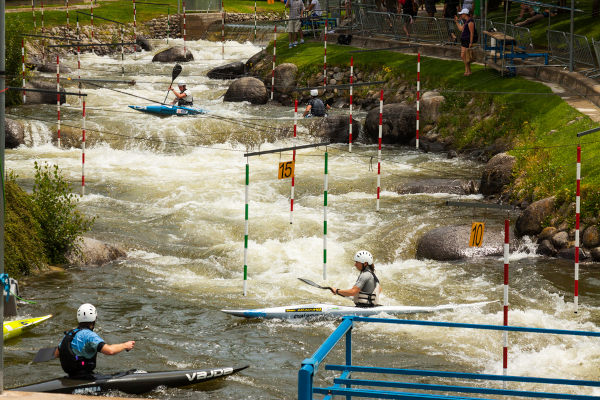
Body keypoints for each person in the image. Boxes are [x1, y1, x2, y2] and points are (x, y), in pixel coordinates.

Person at [53, 303, 135, 379]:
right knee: (130, 372)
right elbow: (110, 351)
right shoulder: (90, 335)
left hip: (71, 376)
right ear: (94, 319)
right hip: (85, 377)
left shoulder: (69, 334)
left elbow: (56, 354)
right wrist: (125, 345)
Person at [454, 8, 476, 76]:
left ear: (465, 14)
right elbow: (461, 29)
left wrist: (470, 43)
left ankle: (468, 70)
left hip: (467, 41)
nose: (461, 15)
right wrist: (456, 22)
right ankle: (468, 70)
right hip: (464, 41)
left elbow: (472, 33)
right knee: (463, 56)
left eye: (462, 14)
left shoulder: (470, 22)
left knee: (464, 56)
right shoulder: (466, 21)